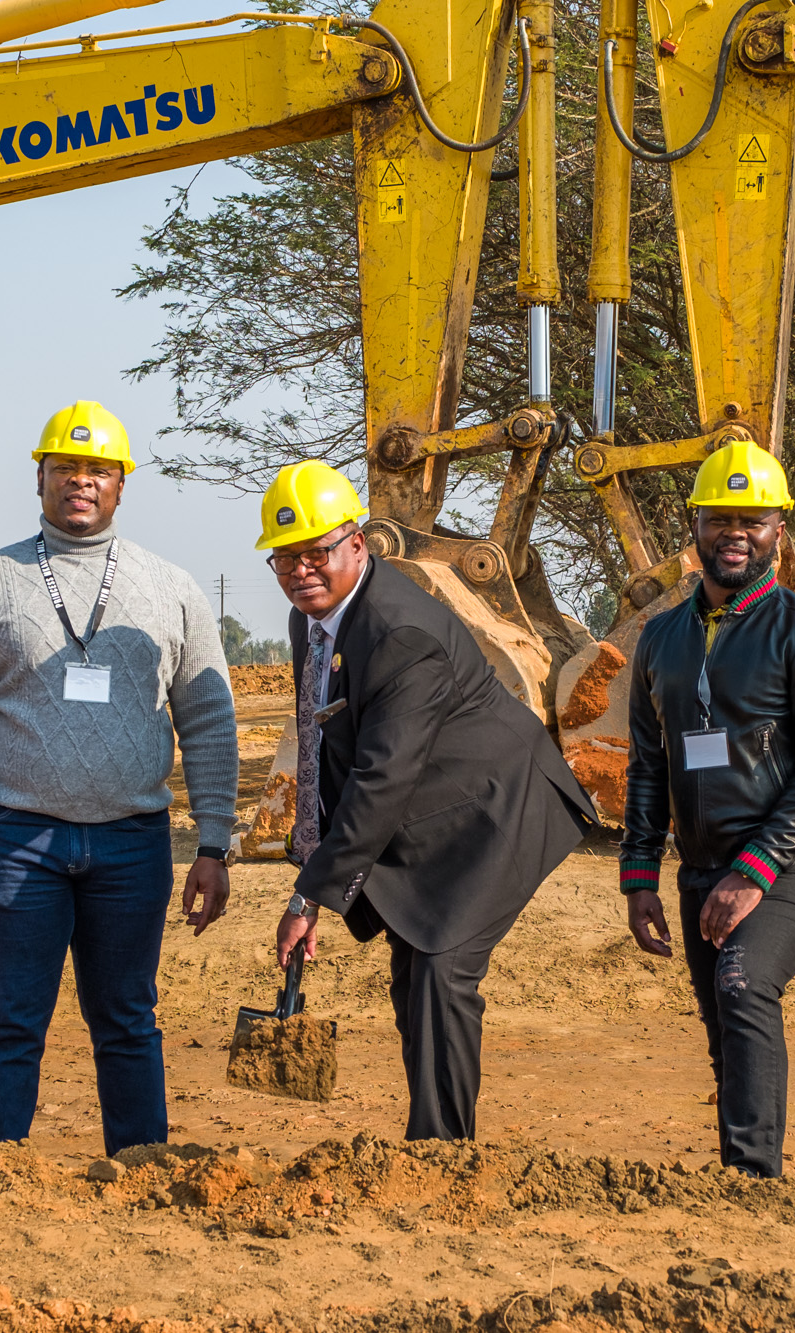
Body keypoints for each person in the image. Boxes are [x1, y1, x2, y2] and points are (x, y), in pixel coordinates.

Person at [0, 401, 238, 1156]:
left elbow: (210, 720)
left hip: (132, 843)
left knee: (127, 1018)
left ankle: (142, 1168)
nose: (80, 482)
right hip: (16, 838)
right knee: (10, 1018)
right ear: (39, 479)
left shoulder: (171, 588)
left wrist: (215, 842)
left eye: (97, 470)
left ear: (122, 483)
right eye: (65, 468)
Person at [260, 461, 597, 1141]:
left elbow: (381, 778)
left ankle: (443, 1155)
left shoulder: (399, 634)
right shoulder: (313, 623)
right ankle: (432, 1142)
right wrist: (314, 870)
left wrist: (311, 895)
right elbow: (326, 746)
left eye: (317, 552)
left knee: (442, 970)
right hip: (432, 809)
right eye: (285, 558)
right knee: (413, 971)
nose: (302, 571)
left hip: (497, 808)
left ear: (357, 542)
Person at [617, 443, 795, 1177]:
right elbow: (649, 763)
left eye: (752, 520)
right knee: (725, 1027)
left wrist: (755, 869)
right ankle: (736, 1183)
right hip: (699, 869)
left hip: (793, 864)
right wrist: (638, 877)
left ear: (779, 528)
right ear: (694, 524)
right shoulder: (660, 638)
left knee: (744, 983)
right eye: (720, 518)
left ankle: (754, 1179)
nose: (735, 533)